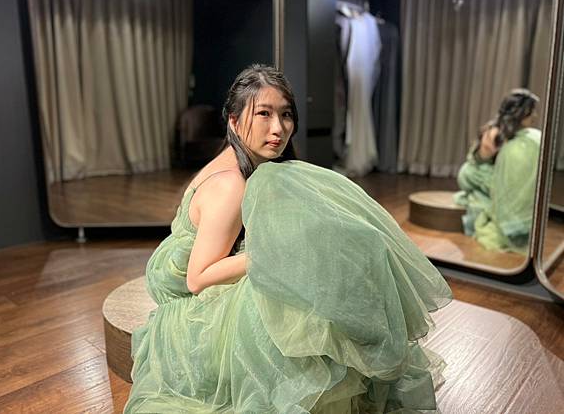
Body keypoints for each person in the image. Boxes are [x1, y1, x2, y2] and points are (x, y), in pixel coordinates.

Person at [124, 64, 452, 413]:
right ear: (234, 121)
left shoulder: (254, 166)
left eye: (286, 115)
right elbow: (198, 278)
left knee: (342, 249)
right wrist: (276, 251)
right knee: (309, 291)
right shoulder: (231, 186)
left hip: (212, 269)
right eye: (263, 114)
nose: (278, 129)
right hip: (195, 299)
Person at [454, 88, 542, 253]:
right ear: (520, 112)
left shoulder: (518, 133)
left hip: (492, 173)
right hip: (476, 173)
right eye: (531, 111)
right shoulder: (495, 133)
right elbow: (479, 163)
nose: (534, 115)